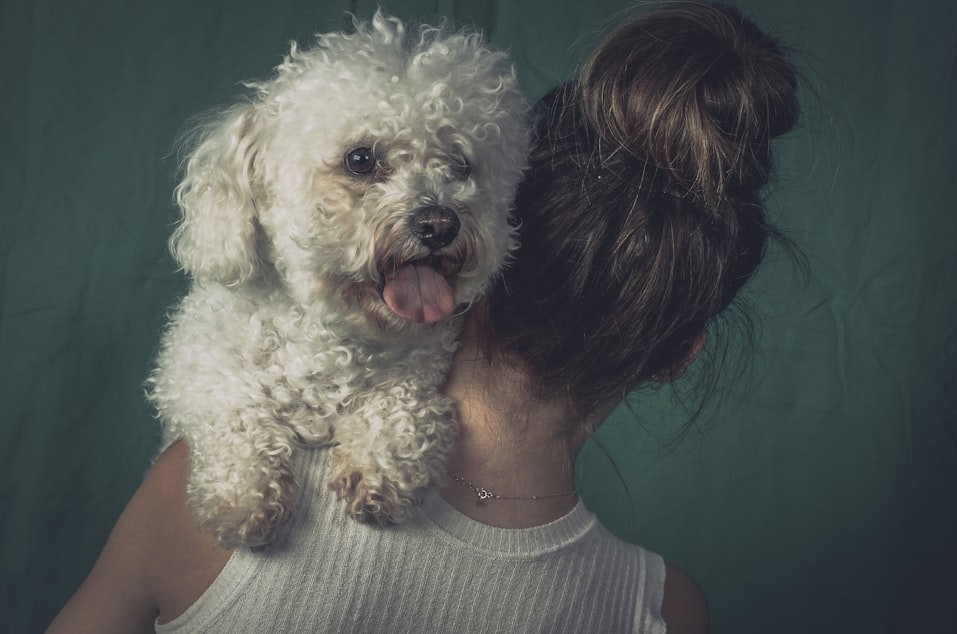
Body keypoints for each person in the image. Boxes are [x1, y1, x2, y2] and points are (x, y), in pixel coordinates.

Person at [47, 2, 799, 632]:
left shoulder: (194, 496)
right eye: (365, 166)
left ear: (506, 237)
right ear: (682, 352)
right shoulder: (663, 612)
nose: (432, 212)